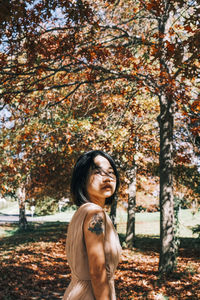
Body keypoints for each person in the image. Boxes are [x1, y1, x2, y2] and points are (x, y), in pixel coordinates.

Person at [62, 150, 121, 300]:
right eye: (98, 172)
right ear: (82, 179)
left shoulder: (82, 213)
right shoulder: (95, 214)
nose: (107, 178)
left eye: (111, 172)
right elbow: (97, 272)